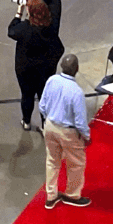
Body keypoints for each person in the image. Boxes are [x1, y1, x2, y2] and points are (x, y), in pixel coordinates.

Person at [38, 53, 91, 209]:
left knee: (52, 161)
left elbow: (42, 105)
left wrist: (49, 119)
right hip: (68, 132)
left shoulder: (51, 80)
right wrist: (86, 136)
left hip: (50, 125)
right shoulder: (77, 92)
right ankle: (72, 195)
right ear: (77, 69)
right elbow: (80, 121)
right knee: (76, 163)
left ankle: (51, 196)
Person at [9, 0, 65, 130]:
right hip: (46, 70)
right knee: (44, 97)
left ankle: (26, 121)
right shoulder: (52, 25)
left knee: (27, 95)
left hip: (25, 70)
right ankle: (45, 125)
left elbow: (11, 31)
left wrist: (18, 13)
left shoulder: (24, 29)